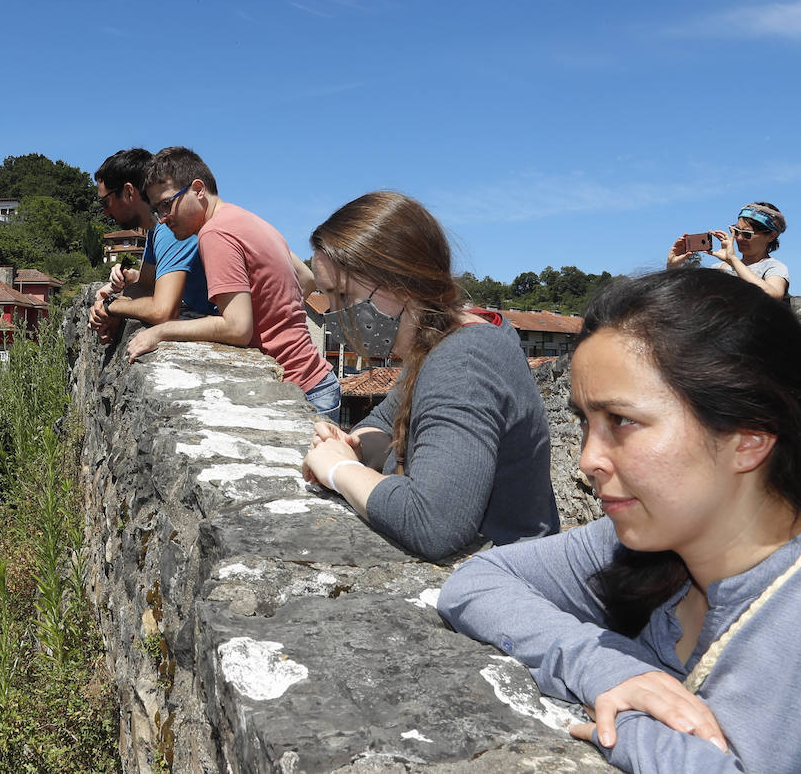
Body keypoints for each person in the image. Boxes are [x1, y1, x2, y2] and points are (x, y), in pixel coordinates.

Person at [437, 268, 801, 772]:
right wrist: (604, 667)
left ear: (749, 437)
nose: (588, 459)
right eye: (587, 422)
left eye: (621, 421)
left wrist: (647, 740)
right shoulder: (646, 546)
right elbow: (477, 582)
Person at [299, 192, 558, 561]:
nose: (336, 313)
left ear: (401, 282)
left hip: (508, 572)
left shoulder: (464, 362)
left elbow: (433, 523)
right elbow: (385, 418)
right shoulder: (442, 337)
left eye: (342, 295)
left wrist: (338, 469)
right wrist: (353, 444)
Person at [125, 147, 340, 421]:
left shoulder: (214, 233)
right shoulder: (248, 219)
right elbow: (307, 279)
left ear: (198, 189)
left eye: (167, 204)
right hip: (319, 381)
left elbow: (237, 328)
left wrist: (161, 332)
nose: (163, 219)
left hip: (301, 390)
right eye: (157, 210)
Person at [88, 148, 216, 344]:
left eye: (106, 202)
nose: (105, 212)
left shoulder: (170, 229)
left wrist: (111, 307)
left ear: (129, 192)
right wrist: (114, 299)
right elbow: (146, 286)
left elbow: (163, 312)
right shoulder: (155, 231)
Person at [667, 201, 789, 299]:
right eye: (736, 231)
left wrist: (733, 260)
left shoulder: (773, 267)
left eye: (747, 234)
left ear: (771, 236)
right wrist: (672, 267)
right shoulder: (719, 268)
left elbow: (773, 295)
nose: (739, 238)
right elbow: (683, 295)